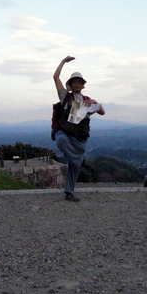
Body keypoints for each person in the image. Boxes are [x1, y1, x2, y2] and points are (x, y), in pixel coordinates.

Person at [53, 56, 105, 202]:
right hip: (64, 131)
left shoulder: (87, 100)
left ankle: (69, 192)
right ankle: (78, 160)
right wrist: (63, 61)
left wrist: (94, 102)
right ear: (70, 84)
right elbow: (55, 77)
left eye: (79, 82)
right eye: (74, 81)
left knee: (73, 166)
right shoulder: (65, 96)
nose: (77, 84)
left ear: (83, 85)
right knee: (61, 140)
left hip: (80, 136)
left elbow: (102, 112)